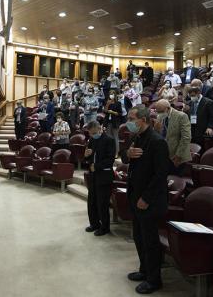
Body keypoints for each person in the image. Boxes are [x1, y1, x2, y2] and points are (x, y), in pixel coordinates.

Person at [120, 105, 169, 294]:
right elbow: (124, 156)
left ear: (143, 119)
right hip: (135, 195)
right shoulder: (136, 137)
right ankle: (144, 270)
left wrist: (146, 198)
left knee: (150, 241)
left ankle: (154, 279)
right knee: (139, 237)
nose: (129, 122)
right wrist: (127, 154)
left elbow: (161, 174)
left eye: (132, 118)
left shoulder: (157, 142)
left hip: (149, 200)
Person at [84, 120, 115, 236]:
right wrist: (86, 156)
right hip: (93, 175)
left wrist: (96, 166)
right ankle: (94, 223)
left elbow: (110, 160)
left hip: (104, 175)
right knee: (92, 201)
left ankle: (105, 227)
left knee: (102, 203)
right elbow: (89, 156)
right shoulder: (92, 140)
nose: (92, 135)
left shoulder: (109, 140)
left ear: (99, 129)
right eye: (90, 133)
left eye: (93, 132)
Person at [153, 99, 191, 176]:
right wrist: (155, 130)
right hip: (164, 155)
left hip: (177, 156)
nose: (159, 113)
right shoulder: (160, 116)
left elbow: (186, 137)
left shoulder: (181, 116)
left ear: (167, 108)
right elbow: (157, 135)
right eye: (157, 111)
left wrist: (178, 155)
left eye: (160, 111)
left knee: (174, 180)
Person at [103, 90, 122, 156]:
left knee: (115, 137)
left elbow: (120, 113)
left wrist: (112, 112)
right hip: (108, 122)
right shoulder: (107, 102)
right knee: (108, 137)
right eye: (110, 94)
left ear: (115, 95)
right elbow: (105, 111)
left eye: (112, 94)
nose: (111, 95)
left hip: (115, 122)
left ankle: (116, 153)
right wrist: (107, 104)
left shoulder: (118, 103)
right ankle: (109, 152)